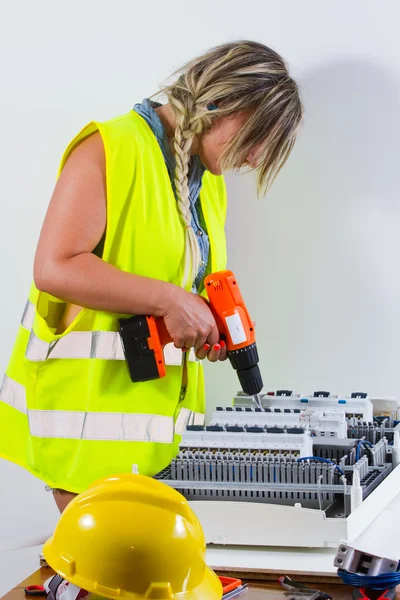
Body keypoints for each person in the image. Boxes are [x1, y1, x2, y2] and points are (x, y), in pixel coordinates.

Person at [0, 40, 302, 513]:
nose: (257, 157)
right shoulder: (112, 146)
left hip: (157, 438)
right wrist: (168, 302)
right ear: (218, 101)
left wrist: (203, 322)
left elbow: (182, 286)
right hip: (88, 431)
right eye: (259, 135)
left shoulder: (208, 183)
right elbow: (54, 266)